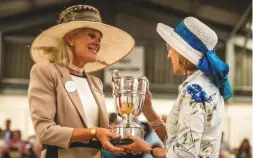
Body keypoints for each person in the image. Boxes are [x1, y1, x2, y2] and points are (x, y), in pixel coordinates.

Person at [28, 4, 134, 158]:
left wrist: (121, 138)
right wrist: (93, 132)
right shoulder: (46, 71)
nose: (98, 43)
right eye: (91, 36)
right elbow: (44, 131)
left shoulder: (95, 82)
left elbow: (100, 132)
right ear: (70, 38)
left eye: (99, 39)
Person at [119, 17, 232, 158]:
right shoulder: (207, 86)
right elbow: (175, 143)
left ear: (182, 52)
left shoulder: (195, 91)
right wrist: (147, 108)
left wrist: (149, 149)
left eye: (171, 48)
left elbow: (185, 154)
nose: (168, 54)